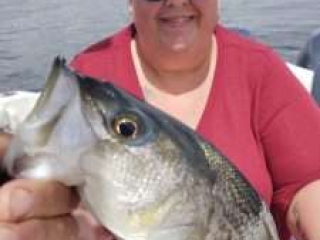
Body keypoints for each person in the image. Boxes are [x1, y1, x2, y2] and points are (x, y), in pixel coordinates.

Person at [0, 0, 320, 239]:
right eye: (126, 128)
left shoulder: (259, 68)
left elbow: (308, 184)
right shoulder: (90, 79)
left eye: (127, 129)